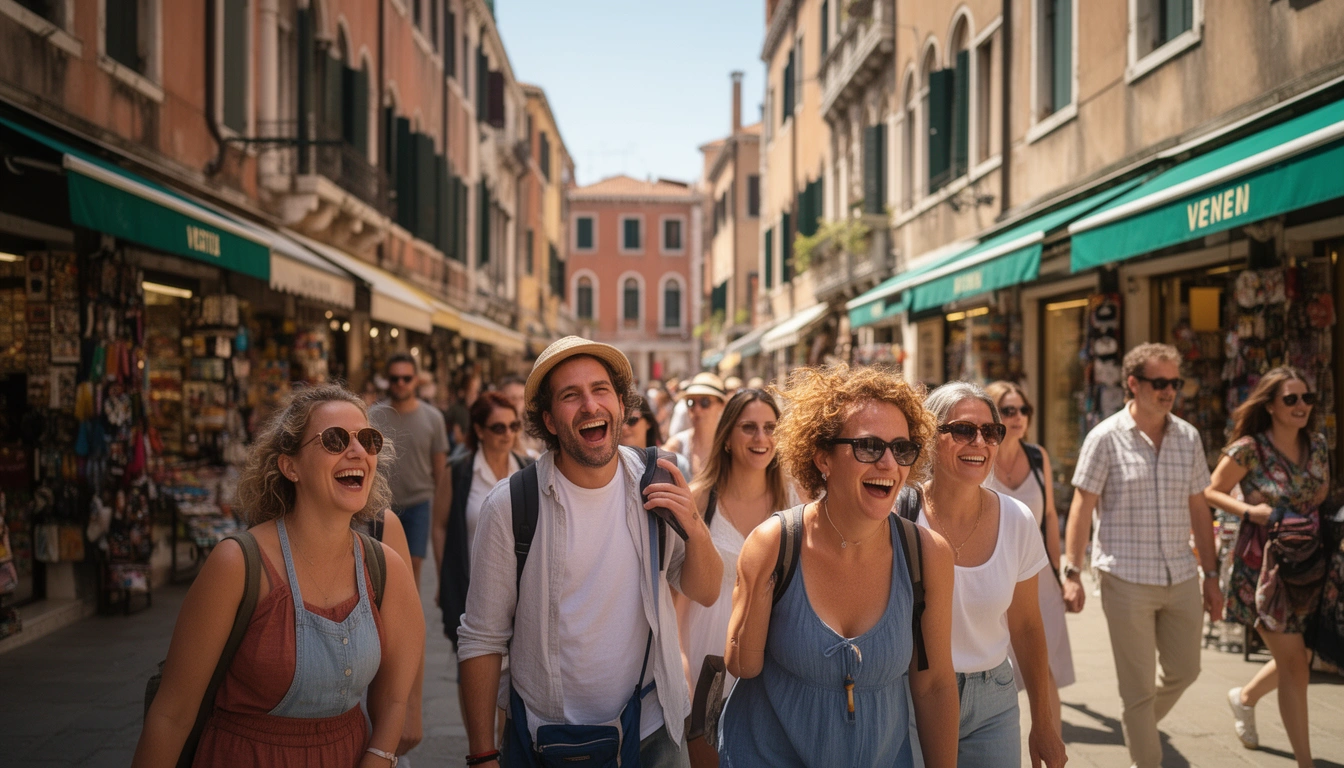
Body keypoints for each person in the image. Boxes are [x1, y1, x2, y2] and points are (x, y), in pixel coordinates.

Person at [457, 337, 724, 768]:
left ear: (620, 403)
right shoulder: (510, 505)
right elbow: (482, 638)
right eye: (570, 395)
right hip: (548, 741)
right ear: (548, 419)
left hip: (653, 733)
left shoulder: (655, 480)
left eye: (601, 389)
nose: (590, 405)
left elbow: (706, 590)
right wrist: (482, 755)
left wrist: (694, 525)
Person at [134, 385, 423, 768]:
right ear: (290, 467)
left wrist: (379, 757)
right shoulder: (237, 564)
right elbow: (171, 715)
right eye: (335, 440)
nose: (357, 451)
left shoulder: (386, 567)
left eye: (368, 440)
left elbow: (395, 700)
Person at [720, 364, 959, 768]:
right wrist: (758, 583)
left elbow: (934, 685)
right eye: (869, 446)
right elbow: (743, 664)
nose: (888, 463)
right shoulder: (774, 542)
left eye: (901, 448)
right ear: (823, 458)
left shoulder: (927, 554)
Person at [1063, 342, 1224, 768]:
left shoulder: (1188, 437)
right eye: (1159, 382)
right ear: (1133, 383)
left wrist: (1212, 577)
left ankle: (1138, 724)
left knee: (1186, 670)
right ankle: (1145, 756)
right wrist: (1072, 571)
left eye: (1175, 382)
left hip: (1181, 574)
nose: (1169, 390)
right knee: (1137, 689)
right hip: (1125, 577)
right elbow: (1081, 507)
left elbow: (1199, 508)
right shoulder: (1104, 438)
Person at [910, 383, 1065, 768]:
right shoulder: (900, 515)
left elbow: (1027, 626)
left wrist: (1043, 721)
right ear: (930, 436)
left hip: (994, 698)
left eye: (991, 432)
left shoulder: (1017, 520)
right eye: (963, 430)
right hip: (911, 695)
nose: (979, 442)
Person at [1203, 367, 1327, 766]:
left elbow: (1320, 495)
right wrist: (1248, 511)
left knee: (1301, 656)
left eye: (1307, 398)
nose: (1301, 406)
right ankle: (1305, 762)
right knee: (1296, 664)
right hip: (1264, 570)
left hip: (1311, 565)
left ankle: (1244, 698)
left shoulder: (1317, 445)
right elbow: (1211, 491)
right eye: (1291, 399)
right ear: (1270, 405)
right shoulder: (1249, 449)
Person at [677, 388, 791, 768]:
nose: (761, 438)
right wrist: (681, 667)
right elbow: (676, 599)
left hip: (774, 661)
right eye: (749, 427)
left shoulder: (794, 500)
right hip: (707, 661)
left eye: (770, 428)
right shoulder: (698, 499)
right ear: (727, 437)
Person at [984, 380, 1075, 732]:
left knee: (1043, 664)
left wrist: (1059, 572)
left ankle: (1051, 740)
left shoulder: (1038, 456)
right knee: (993, 666)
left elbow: (1049, 515)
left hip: (1038, 578)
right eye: (1009, 410)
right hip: (992, 575)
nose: (1019, 417)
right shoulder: (980, 456)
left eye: (1024, 410)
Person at [435, 392, 529, 649]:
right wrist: (444, 578)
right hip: (470, 591)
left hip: (522, 594)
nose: (508, 434)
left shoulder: (528, 470)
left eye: (513, 426)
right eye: (498, 427)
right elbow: (440, 526)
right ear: (479, 430)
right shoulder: (458, 472)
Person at [368, 353, 449, 586]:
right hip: (380, 504)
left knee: (412, 564)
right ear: (387, 380)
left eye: (406, 378)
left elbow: (440, 468)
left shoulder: (433, 418)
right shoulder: (373, 416)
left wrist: (442, 510)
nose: (401, 383)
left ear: (416, 380)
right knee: (380, 566)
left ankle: (411, 608)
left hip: (418, 502)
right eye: (395, 378)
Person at [665, 373, 728, 479]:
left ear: (722, 405)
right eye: (691, 402)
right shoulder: (676, 445)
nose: (696, 409)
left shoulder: (730, 445)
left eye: (705, 402)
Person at [498, 373, 544, 459]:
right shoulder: (496, 426)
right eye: (513, 398)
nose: (517, 403)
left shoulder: (534, 423)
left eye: (521, 398)